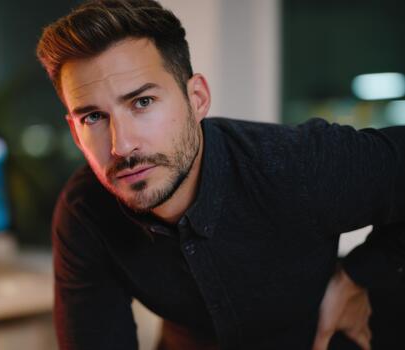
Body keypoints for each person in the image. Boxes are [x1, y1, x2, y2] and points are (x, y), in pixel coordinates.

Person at [35, 1, 405, 349]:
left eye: (142, 102)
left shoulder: (297, 164)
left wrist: (360, 274)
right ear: (74, 132)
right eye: (94, 118)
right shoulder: (84, 211)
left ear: (197, 99)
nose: (122, 145)